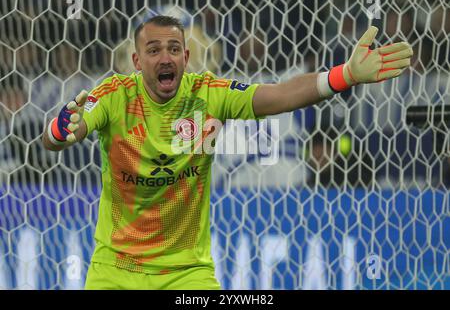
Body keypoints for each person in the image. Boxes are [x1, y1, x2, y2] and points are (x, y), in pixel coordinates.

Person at [42, 15, 413, 289]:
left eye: (173, 49)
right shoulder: (114, 95)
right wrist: (61, 129)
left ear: (186, 57)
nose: (165, 58)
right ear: (137, 62)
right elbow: (63, 131)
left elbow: (280, 95)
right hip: (116, 271)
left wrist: (345, 74)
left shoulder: (208, 93)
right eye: (153, 50)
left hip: (187, 273)